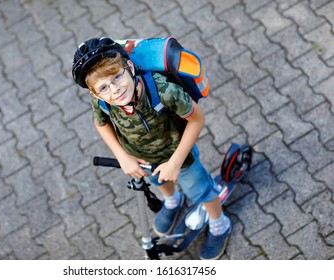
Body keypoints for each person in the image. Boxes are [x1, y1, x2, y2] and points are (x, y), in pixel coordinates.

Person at [72, 37, 231, 260]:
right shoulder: (102, 101)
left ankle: (219, 223)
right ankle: (173, 201)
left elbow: (197, 119)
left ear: (128, 67)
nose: (115, 90)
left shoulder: (162, 90)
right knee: (159, 181)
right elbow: (101, 123)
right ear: (95, 94)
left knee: (200, 190)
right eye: (103, 88)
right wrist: (123, 156)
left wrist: (175, 162)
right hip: (142, 159)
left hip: (179, 156)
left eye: (117, 76)